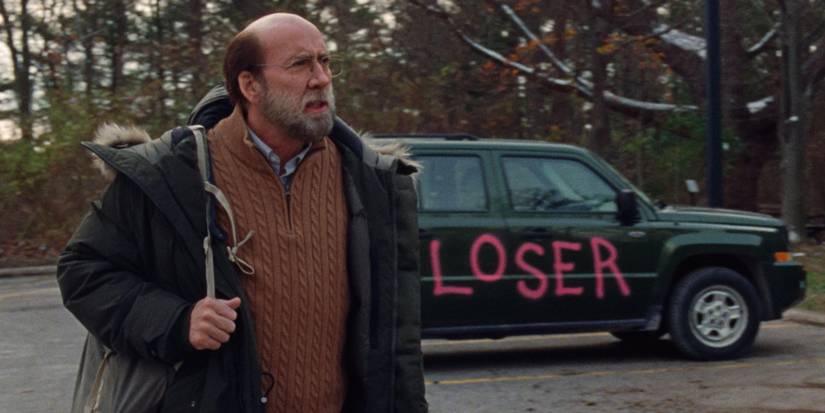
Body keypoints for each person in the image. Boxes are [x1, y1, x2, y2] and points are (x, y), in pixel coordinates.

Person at [58, 12, 427, 413]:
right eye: (300, 64)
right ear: (250, 85)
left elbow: (397, 341)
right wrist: (177, 321)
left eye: (325, 61)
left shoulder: (371, 180)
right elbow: (83, 271)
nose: (321, 78)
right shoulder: (170, 175)